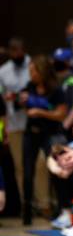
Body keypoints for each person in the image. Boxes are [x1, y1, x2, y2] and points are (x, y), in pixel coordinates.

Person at [20, 55, 68, 225]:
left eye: (34, 70)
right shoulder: (29, 86)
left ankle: (63, 209)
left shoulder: (56, 89)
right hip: (31, 132)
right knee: (27, 171)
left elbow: (61, 114)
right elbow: (24, 105)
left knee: (55, 168)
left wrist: (40, 112)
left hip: (50, 133)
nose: (31, 74)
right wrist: (22, 100)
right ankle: (26, 211)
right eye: (30, 71)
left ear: (43, 71)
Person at [0, 37, 30, 205]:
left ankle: (44, 203)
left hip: (33, 120)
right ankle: (26, 203)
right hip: (13, 123)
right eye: (13, 50)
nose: (16, 53)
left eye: (19, 49)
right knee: (19, 166)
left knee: (40, 165)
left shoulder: (33, 66)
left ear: (24, 49)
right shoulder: (3, 71)